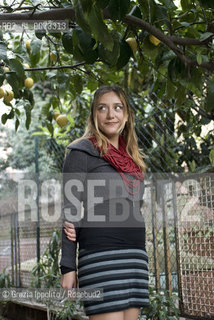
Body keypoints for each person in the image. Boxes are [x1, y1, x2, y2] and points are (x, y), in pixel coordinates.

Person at [60, 85, 149, 320]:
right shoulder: (81, 152)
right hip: (101, 256)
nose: (111, 115)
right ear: (94, 115)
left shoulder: (133, 160)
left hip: (134, 257)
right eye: (103, 108)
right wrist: (68, 267)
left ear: (126, 115)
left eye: (118, 108)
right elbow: (69, 209)